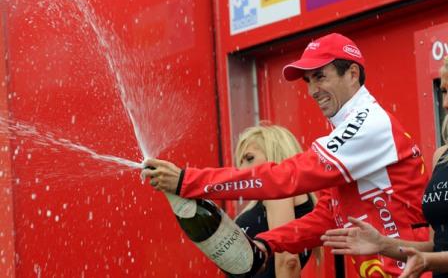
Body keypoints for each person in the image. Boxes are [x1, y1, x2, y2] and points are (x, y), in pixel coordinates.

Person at [141, 33, 429, 276]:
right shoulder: (348, 129)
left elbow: (287, 177)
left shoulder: (369, 123)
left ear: (352, 73)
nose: (313, 91)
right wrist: (268, 243)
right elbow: (327, 218)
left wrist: (187, 180)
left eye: (320, 77)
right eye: (308, 82)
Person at [321, 57, 448, 278]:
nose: (445, 103)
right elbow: (436, 248)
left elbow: (432, 257)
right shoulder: (442, 156)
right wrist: (383, 244)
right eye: (444, 91)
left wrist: (427, 261)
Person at [232, 124, 316, 278]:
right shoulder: (271, 196)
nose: (241, 169)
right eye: (240, 162)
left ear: (275, 155)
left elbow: (288, 261)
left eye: (249, 158)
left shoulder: (279, 190)